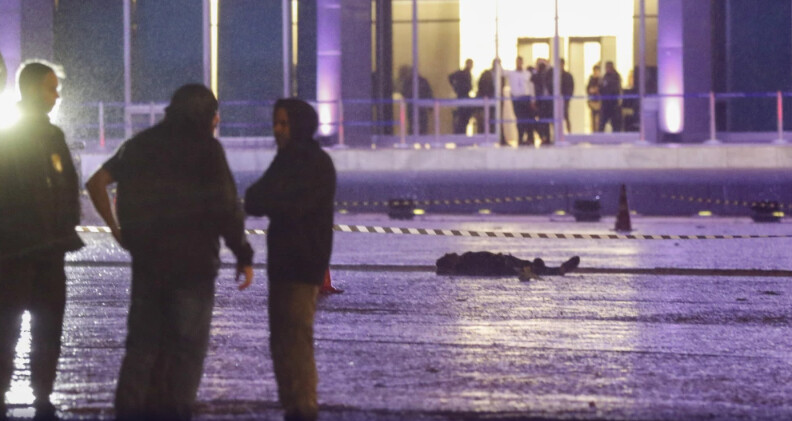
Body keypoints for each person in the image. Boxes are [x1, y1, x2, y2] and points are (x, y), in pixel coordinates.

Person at [85, 84, 254, 421]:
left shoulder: (140, 145)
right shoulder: (207, 150)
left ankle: (129, 413)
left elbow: (96, 182)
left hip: (148, 263)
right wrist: (242, 253)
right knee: (186, 351)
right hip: (194, 267)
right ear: (207, 117)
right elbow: (225, 206)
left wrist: (118, 231)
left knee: (142, 348)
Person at [0, 61, 84, 421]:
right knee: (19, 326)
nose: (56, 96)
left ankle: (39, 395)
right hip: (21, 252)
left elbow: (67, 187)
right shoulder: (18, 138)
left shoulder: (50, 136)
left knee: (36, 327)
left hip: (42, 251)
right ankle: (34, 396)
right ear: (34, 89)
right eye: (51, 88)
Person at [244, 98, 336, 421]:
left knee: (294, 338)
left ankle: (303, 407)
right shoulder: (290, 161)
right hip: (285, 265)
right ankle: (294, 405)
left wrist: (273, 200)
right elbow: (258, 199)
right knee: (282, 339)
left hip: (301, 264)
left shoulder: (311, 163)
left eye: (284, 123)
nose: (278, 130)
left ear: (298, 124)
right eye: (276, 122)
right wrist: (273, 200)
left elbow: (272, 200)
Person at [436, 252, 580, 281]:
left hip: (503, 260)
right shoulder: (465, 264)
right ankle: (558, 270)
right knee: (530, 268)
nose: (452, 253)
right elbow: (486, 266)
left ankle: (556, 270)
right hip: (503, 264)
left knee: (530, 266)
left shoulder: (464, 259)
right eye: (449, 256)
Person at [503, 56, 536, 146]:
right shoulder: (512, 73)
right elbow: (501, 72)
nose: (519, 64)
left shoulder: (527, 74)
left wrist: (533, 100)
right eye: (517, 62)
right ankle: (520, 138)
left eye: (520, 62)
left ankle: (530, 138)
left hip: (526, 98)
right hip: (517, 100)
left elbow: (531, 86)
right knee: (519, 120)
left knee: (529, 120)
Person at [397, 65, 433, 135]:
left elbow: (404, 93)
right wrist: (430, 107)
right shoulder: (422, 81)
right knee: (420, 126)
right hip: (420, 107)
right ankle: (420, 141)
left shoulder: (408, 82)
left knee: (413, 125)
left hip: (413, 107)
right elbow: (429, 93)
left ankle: (413, 140)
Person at [448, 58, 474, 134]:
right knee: (462, 118)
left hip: (464, 96)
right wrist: (456, 87)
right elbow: (450, 77)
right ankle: (460, 134)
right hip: (462, 96)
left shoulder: (467, 73)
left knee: (464, 118)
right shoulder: (462, 73)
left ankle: (462, 134)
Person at [598, 61, 623, 132]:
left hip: (613, 104)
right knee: (602, 124)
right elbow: (602, 88)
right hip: (605, 104)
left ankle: (616, 140)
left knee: (615, 125)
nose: (607, 69)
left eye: (608, 67)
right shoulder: (605, 76)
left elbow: (615, 89)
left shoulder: (616, 77)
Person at [532, 59, 552, 144]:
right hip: (541, 101)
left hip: (549, 101)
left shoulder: (549, 74)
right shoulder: (537, 75)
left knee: (548, 120)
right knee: (541, 120)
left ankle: (548, 137)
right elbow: (534, 80)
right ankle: (543, 137)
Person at [586, 64, 602, 132]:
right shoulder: (591, 79)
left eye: (597, 71)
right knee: (592, 118)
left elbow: (601, 89)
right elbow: (588, 89)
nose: (596, 72)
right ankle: (593, 131)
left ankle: (598, 132)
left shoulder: (601, 80)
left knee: (598, 119)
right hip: (592, 101)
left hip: (599, 102)